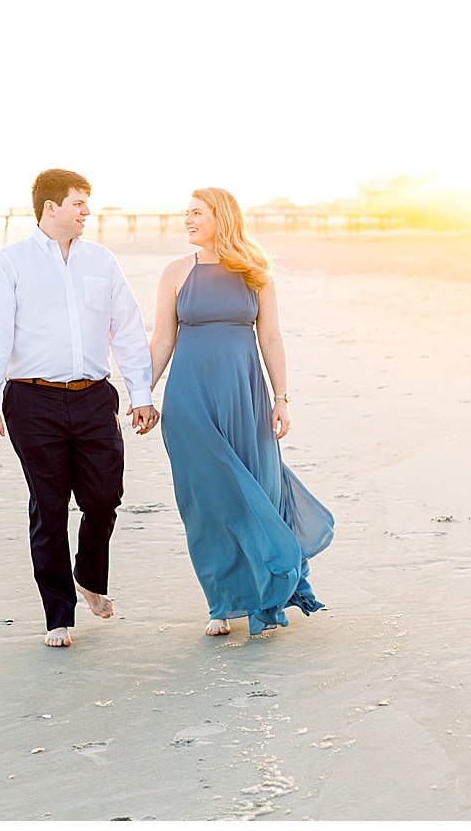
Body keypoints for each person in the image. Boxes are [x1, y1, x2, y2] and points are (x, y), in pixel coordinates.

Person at [0, 169, 157, 647]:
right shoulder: (9, 263)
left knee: (103, 498)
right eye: (78, 202)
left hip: (95, 397)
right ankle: (59, 615)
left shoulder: (102, 261)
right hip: (31, 400)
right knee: (50, 507)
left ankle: (90, 577)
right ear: (51, 207)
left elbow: (129, 329)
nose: (86, 211)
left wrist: (142, 394)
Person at [151, 188, 333, 636]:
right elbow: (161, 339)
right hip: (190, 400)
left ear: (221, 216)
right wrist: (139, 395)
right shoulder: (176, 273)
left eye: (196, 213)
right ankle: (222, 603)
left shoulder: (255, 272)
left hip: (246, 398)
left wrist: (281, 398)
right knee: (208, 502)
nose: (187, 220)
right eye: (186, 213)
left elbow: (270, 338)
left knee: (259, 491)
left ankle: (263, 597)